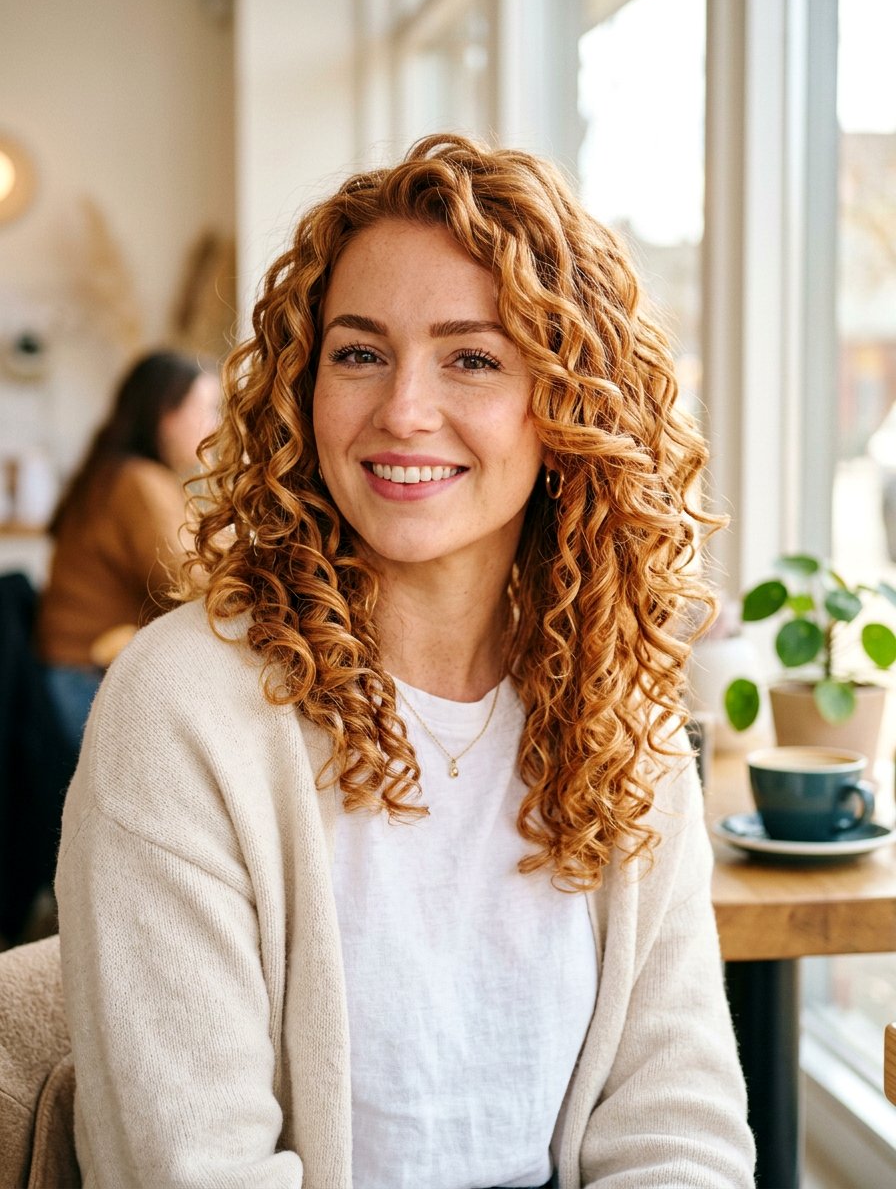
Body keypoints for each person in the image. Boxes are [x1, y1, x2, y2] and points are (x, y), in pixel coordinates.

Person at [55, 135, 755, 1188]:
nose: (402, 410)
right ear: (303, 384)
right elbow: (193, 1167)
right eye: (359, 351)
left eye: (470, 356)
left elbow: (675, 1127)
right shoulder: (183, 707)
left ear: (568, 402)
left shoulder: (621, 708)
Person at [36, 350, 220, 749]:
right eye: (206, 410)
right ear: (167, 416)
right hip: (86, 673)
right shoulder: (138, 482)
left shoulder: (113, 471)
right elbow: (186, 582)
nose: (214, 427)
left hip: (65, 668)